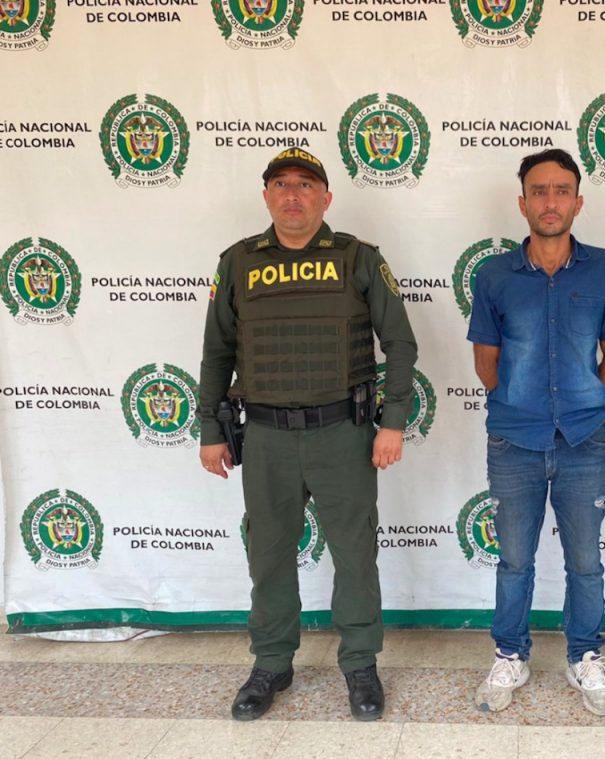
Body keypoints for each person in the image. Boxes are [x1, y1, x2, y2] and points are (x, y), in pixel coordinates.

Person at [198, 148, 418, 722]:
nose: (292, 194)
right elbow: (217, 352)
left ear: (326, 197)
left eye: (304, 184)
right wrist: (210, 429)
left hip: (342, 432)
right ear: (266, 196)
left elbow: (400, 343)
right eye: (280, 184)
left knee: (354, 554)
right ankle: (272, 662)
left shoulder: (358, 258)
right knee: (268, 554)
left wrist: (393, 421)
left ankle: (360, 663)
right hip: (266, 436)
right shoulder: (238, 262)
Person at [468, 148, 605, 716]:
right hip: (513, 440)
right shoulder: (494, 275)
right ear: (522, 203)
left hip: (583, 440)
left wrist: (583, 398)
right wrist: (524, 404)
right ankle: (510, 655)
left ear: (578, 202)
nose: (550, 201)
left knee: (585, 561)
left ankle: (585, 656)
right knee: (514, 560)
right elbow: (486, 363)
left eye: (561, 190)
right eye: (538, 191)